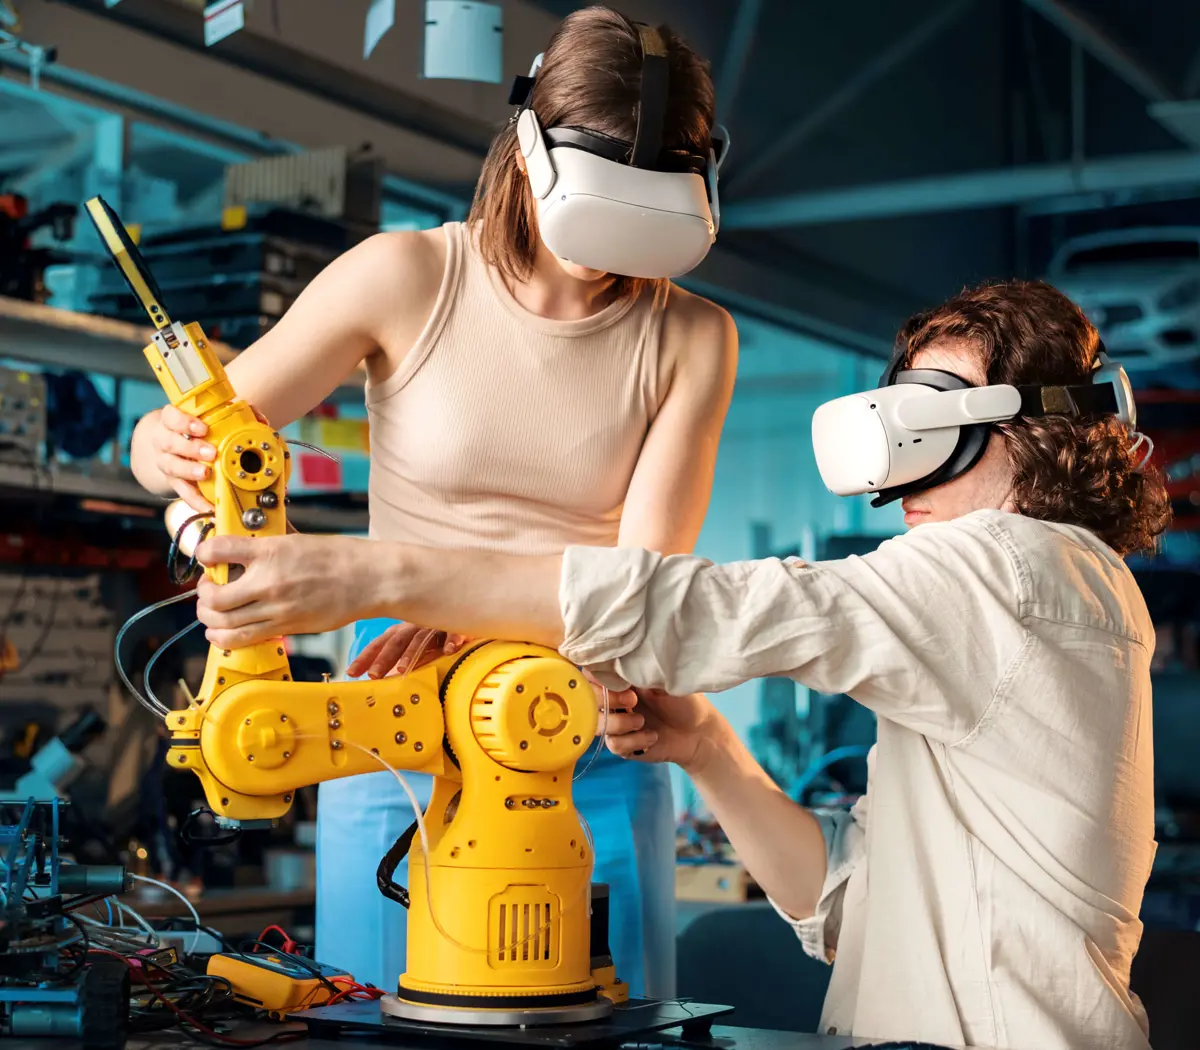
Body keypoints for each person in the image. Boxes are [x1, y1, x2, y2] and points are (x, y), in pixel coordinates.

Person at [194, 280, 1171, 1050]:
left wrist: (374, 576)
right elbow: (845, 905)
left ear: (1041, 428)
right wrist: (709, 749)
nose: (903, 471)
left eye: (934, 427)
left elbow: (715, 606)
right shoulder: (1006, 608)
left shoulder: (1019, 569)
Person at [126, 5, 738, 997]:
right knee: (375, 1016)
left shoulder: (693, 338)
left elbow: (641, 594)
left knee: (615, 1019)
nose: (606, 250)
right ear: (528, 149)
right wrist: (160, 451)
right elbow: (208, 447)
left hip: (591, 734)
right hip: (395, 728)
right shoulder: (406, 276)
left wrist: (408, 588)